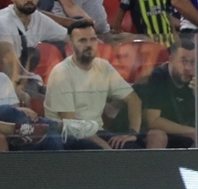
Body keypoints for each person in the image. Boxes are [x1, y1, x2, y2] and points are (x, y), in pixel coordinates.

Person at [45, 20, 146, 150]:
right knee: (104, 155)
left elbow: (134, 100)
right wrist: (104, 146)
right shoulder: (61, 73)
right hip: (67, 136)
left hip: (96, 132)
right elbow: (72, 125)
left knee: (135, 149)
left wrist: (132, 134)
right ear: (71, 44)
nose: (89, 45)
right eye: (82, 41)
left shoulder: (103, 66)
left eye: (93, 39)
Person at [140, 36, 198, 148]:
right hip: (157, 133)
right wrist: (192, 132)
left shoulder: (194, 79)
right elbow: (153, 120)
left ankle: (196, 166)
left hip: (184, 132)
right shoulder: (157, 77)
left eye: (192, 63)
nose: (188, 68)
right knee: (158, 135)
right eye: (184, 62)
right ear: (171, 60)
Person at [0, 0, 66, 95]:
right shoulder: (3, 22)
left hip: (31, 81)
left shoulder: (38, 18)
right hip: (5, 86)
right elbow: (8, 61)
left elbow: (69, 37)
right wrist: (16, 93)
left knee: (65, 93)